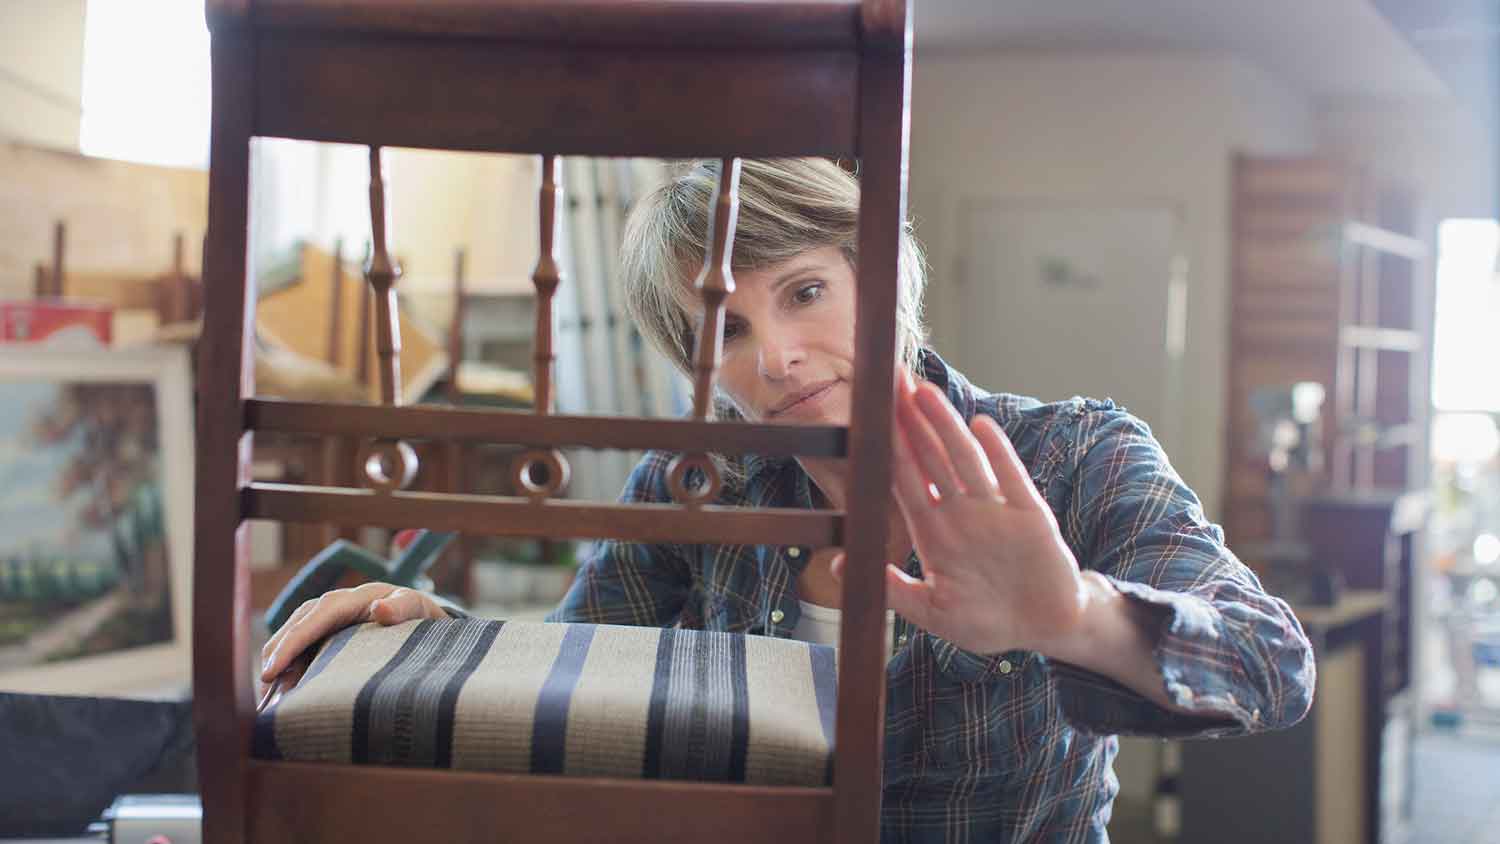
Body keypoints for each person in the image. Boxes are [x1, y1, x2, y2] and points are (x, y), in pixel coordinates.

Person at [261, 158, 1315, 842]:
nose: (778, 354)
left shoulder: (1075, 452)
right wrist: (437, 641)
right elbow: (576, 684)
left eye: (805, 291)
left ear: (879, 277)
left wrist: (1071, 618)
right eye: (725, 329)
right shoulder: (697, 485)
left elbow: (1271, 662)